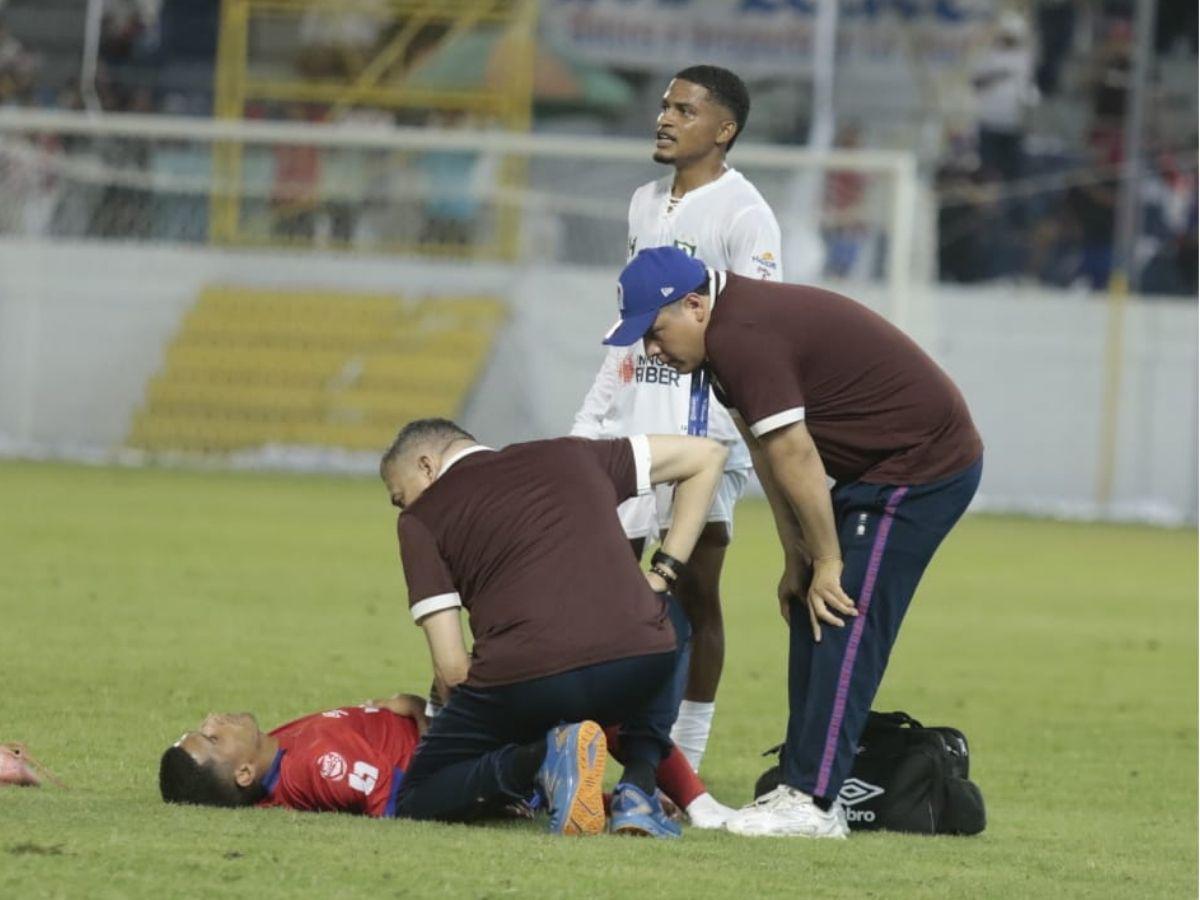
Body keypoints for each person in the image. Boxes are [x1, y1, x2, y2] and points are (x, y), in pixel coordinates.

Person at [602, 247, 984, 839]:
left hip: (923, 465)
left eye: (654, 332)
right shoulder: (719, 339)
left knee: (842, 613)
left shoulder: (741, 337)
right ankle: (797, 784)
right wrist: (799, 558)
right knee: (813, 601)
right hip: (873, 469)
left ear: (696, 306)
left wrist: (829, 559)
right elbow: (765, 450)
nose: (651, 350)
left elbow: (795, 452)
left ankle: (814, 802)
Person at [572, 64, 782, 776]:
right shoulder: (642, 203)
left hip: (706, 433)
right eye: (664, 107)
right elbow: (629, 323)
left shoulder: (745, 215)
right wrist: (592, 419)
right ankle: (590, 744)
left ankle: (679, 763)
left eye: (684, 110)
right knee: (606, 586)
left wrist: (735, 439)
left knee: (694, 593)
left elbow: (755, 331)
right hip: (633, 421)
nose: (664, 119)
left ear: (723, 130)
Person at [381, 418, 727, 837]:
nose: (404, 508)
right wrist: (663, 572)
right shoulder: (573, 453)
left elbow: (452, 670)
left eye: (400, 497)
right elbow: (707, 455)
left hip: (527, 682)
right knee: (666, 615)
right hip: (637, 665)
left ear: (426, 466)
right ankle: (638, 784)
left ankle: (543, 760)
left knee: (418, 795)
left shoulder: (421, 520)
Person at [158, 692, 726, 823]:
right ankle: (686, 805)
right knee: (613, 712)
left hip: (450, 728)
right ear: (241, 772)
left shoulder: (280, 749)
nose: (211, 724)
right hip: (466, 744)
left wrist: (395, 707)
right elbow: (402, 797)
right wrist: (430, 720)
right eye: (209, 739)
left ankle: (619, 799)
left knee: (603, 716)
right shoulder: (317, 765)